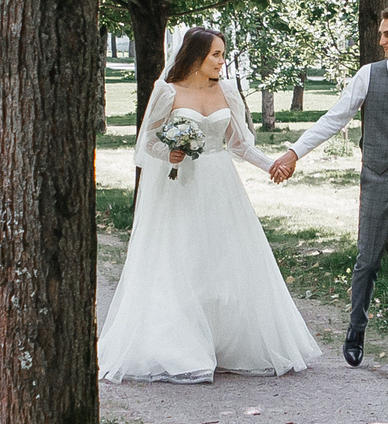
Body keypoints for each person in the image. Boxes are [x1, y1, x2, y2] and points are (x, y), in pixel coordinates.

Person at [100, 28, 321, 383]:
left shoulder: (228, 91)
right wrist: (169, 152)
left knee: (224, 258)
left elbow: (239, 145)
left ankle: (227, 342)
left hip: (220, 183)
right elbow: (147, 143)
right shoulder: (167, 91)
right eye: (216, 55)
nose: (221, 61)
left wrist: (273, 165)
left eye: (222, 55)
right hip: (181, 185)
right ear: (195, 56)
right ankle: (181, 347)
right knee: (181, 258)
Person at [269, 5, 388, 379]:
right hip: (377, 177)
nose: (382, 40)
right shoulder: (368, 75)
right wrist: (294, 151)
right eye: (381, 33)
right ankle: (356, 328)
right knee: (368, 259)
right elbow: (335, 118)